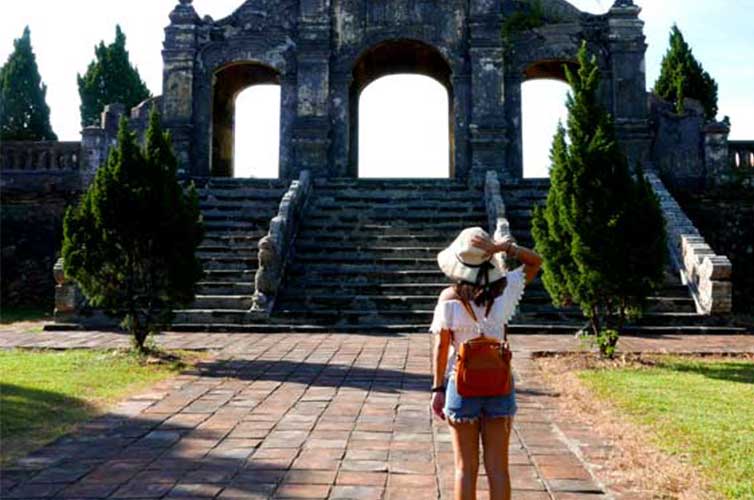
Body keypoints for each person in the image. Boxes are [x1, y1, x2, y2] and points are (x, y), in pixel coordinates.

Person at [430, 227, 543, 500]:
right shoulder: (506, 290)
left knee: (465, 469)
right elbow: (536, 261)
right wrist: (505, 248)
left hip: (462, 383)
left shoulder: (449, 299)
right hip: (499, 383)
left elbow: (442, 348)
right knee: (499, 470)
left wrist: (437, 389)